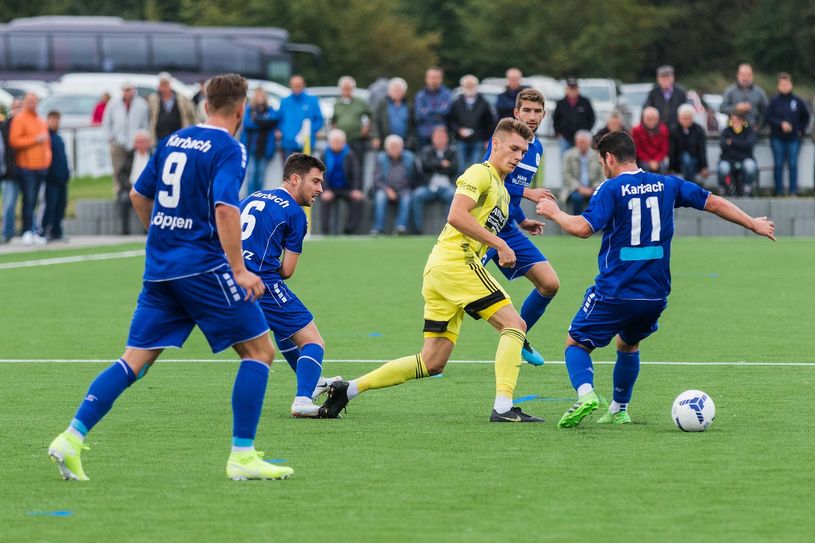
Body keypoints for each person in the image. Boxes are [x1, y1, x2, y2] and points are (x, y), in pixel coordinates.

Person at [47, 74, 293, 482]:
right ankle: (243, 457)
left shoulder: (172, 141)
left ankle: (70, 437)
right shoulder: (230, 147)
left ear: (204, 105)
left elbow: (138, 195)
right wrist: (239, 270)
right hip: (203, 269)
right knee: (260, 353)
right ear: (239, 109)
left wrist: (164, 239)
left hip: (160, 269)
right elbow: (225, 209)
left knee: (134, 361)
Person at [535, 130, 775, 428]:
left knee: (576, 343)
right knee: (628, 344)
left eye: (602, 160)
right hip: (654, 294)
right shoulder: (667, 184)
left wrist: (554, 212)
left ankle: (586, 395)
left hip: (616, 290)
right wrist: (753, 223)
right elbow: (713, 202)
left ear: (609, 158)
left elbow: (583, 228)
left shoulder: (610, 189)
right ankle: (620, 409)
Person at [320, 118, 545, 423]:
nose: (519, 156)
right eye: (514, 148)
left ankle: (347, 389)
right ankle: (504, 407)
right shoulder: (480, 173)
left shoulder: (502, 190)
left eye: (524, 151)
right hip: (457, 262)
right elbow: (456, 215)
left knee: (432, 362)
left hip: (441, 269)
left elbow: (485, 220)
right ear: (495, 144)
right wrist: (501, 245)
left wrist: (520, 226)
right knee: (515, 326)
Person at [240, 153, 341, 417]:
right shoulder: (295, 214)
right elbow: (287, 270)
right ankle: (302, 400)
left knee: (284, 330)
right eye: (315, 181)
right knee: (313, 341)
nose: (320, 189)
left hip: (231, 279)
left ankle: (313, 381)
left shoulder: (253, 196)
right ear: (295, 179)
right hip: (261, 282)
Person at [482, 89, 558, 366]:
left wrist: (521, 220)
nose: (532, 116)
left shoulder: (535, 148)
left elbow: (509, 195)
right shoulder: (504, 141)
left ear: (544, 115)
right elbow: (489, 179)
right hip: (483, 224)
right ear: (516, 113)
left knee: (549, 284)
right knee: (458, 290)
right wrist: (530, 194)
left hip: (507, 224)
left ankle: (518, 336)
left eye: (537, 111)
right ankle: (432, 352)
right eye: (526, 110)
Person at [103, 81, 149, 235]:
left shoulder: (141, 105)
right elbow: (107, 122)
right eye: (125, 90)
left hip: (134, 142)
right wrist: (111, 137)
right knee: (118, 170)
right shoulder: (113, 104)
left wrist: (141, 140)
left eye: (130, 90)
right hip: (118, 142)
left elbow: (145, 123)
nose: (128, 93)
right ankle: (120, 192)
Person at [9, 92, 51, 245]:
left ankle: (35, 230)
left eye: (35, 101)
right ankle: (26, 230)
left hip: (41, 166)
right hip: (27, 166)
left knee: (38, 201)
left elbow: (46, 143)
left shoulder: (40, 119)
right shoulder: (20, 119)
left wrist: (47, 159)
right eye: (30, 101)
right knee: (28, 200)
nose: (32, 104)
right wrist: (34, 140)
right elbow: (14, 141)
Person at [766, 72, 810, 196]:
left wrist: (800, 130)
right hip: (777, 138)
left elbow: (806, 117)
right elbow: (768, 117)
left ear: (791, 85)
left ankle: (793, 191)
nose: (785, 86)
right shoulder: (774, 102)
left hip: (794, 138)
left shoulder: (798, 101)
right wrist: (780, 124)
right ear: (778, 86)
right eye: (782, 84)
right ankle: (779, 191)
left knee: (792, 164)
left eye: (787, 84)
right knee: (778, 164)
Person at [413, 125, 458, 234]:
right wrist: (442, 164)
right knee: (417, 195)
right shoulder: (427, 151)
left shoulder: (452, 151)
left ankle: (448, 230)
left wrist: (436, 166)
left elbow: (454, 168)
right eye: (437, 137)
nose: (440, 139)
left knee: (453, 195)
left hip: (447, 186)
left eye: (442, 137)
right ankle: (417, 229)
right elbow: (425, 165)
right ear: (432, 138)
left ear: (447, 138)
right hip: (430, 186)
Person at [318, 128, 364, 235]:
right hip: (329, 188)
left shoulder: (350, 154)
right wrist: (325, 190)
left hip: (346, 188)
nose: (338, 144)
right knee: (325, 200)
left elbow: (356, 174)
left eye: (341, 142)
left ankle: (349, 230)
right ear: (329, 142)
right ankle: (325, 231)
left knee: (358, 200)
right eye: (335, 142)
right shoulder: (324, 155)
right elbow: (320, 175)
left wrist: (356, 190)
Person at [370, 134, 416, 236]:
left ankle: (400, 228)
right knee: (380, 197)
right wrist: (387, 190)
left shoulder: (410, 158)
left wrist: (407, 188)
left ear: (402, 147)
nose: (394, 149)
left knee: (407, 198)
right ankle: (378, 228)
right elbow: (376, 180)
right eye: (392, 147)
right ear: (386, 148)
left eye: (397, 146)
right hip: (385, 189)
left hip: (404, 189)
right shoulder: (380, 158)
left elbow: (414, 177)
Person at [448, 74, 495, 173]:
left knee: (475, 167)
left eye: (472, 85)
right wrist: (459, 130)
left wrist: (487, 139)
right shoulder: (456, 103)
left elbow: (489, 122)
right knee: (461, 167)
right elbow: (451, 121)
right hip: (461, 140)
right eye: (467, 86)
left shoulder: (484, 102)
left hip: (478, 139)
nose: (469, 88)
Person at [331, 76, 372, 176]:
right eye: (344, 88)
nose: (346, 91)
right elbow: (334, 121)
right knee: (343, 166)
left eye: (349, 88)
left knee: (358, 166)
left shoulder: (360, 102)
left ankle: (357, 190)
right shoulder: (337, 104)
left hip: (357, 139)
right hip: (342, 142)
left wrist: (366, 128)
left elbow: (371, 116)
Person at [241, 88, 278, 195]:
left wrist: (257, 120)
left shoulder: (270, 109)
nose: (260, 97)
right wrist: (264, 123)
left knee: (261, 175)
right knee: (251, 175)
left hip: (265, 148)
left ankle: (259, 197)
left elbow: (274, 119)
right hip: (252, 147)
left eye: (262, 95)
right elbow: (247, 123)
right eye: (258, 95)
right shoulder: (249, 109)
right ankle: (250, 198)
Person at [278, 75, 323, 159]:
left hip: (306, 143)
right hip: (288, 144)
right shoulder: (285, 101)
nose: (296, 87)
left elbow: (319, 119)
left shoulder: (312, 100)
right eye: (294, 85)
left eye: (299, 84)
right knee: (290, 171)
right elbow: (279, 120)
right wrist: (284, 132)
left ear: (304, 85)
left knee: (306, 171)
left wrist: (311, 130)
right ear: (290, 86)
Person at [42, 111, 70, 241]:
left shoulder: (58, 137)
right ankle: (45, 230)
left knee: (61, 205)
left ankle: (57, 231)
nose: (55, 122)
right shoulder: (46, 137)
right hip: (51, 179)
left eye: (57, 119)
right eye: (53, 119)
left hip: (62, 178)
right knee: (50, 205)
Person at [561, 130, 604, 214]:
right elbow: (566, 175)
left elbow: (603, 175)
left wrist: (593, 188)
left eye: (583, 142)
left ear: (589, 143)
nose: (580, 144)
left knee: (598, 198)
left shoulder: (597, 156)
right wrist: (579, 188)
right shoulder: (569, 155)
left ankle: (594, 223)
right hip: (574, 189)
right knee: (576, 198)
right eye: (578, 142)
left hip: (594, 188)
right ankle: (577, 222)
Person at [149, 73, 197, 144]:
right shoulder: (153, 100)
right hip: (160, 137)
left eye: (166, 84)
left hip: (179, 137)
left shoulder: (183, 99)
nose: (164, 86)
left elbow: (193, 116)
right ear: (159, 85)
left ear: (170, 84)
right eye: (162, 84)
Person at [718, 112, 758, 196]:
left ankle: (747, 188)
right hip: (728, 159)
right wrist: (741, 143)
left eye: (737, 120)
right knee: (723, 168)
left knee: (750, 166)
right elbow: (723, 146)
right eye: (733, 120)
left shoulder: (748, 131)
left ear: (743, 121)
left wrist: (732, 142)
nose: (735, 122)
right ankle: (722, 188)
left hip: (745, 159)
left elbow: (749, 145)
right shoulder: (726, 131)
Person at [553, 77, 595, 154]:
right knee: (566, 160)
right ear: (566, 89)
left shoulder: (585, 102)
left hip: (582, 139)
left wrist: (586, 131)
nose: (572, 91)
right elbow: (556, 119)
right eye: (570, 88)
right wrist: (558, 133)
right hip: (565, 138)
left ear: (578, 89)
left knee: (582, 161)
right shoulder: (560, 103)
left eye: (574, 88)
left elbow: (592, 118)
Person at [414, 66, 453, 149]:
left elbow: (446, 111)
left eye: (436, 78)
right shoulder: (420, 95)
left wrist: (427, 110)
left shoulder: (447, 94)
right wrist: (438, 111)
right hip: (424, 135)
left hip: (442, 135)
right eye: (431, 77)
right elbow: (419, 114)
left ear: (441, 79)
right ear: (426, 79)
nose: (433, 80)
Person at [720, 63, 769, 130]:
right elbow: (722, 109)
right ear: (738, 75)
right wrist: (736, 108)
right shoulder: (730, 91)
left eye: (748, 75)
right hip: (734, 132)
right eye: (743, 75)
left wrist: (759, 127)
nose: (745, 78)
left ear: (752, 76)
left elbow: (766, 113)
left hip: (754, 131)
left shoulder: (760, 92)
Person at [669, 104, 708, 185]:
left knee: (688, 159)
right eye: (683, 118)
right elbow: (672, 150)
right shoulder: (674, 130)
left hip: (695, 161)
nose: (686, 120)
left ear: (692, 118)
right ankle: (691, 185)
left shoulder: (699, 130)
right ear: (679, 118)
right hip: (678, 162)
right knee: (685, 158)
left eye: (688, 118)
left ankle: (687, 185)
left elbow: (702, 149)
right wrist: (671, 168)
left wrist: (704, 167)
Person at [371, 77, 413, 151]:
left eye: (399, 90)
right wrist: (376, 137)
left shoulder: (408, 105)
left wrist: (411, 139)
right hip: (385, 142)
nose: (397, 92)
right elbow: (375, 121)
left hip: (404, 142)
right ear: (389, 91)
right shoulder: (382, 104)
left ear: (404, 92)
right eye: (394, 90)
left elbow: (412, 123)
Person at [1, 99, 22, 243]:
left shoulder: (29, 124)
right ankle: (7, 233)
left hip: (29, 171)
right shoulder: (5, 126)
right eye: (15, 107)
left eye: (19, 107)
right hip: (10, 173)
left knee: (31, 204)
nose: (17, 110)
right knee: (9, 204)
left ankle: (30, 231)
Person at [632, 107, 669, 173]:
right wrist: (649, 161)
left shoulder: (663, 129)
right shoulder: (636, 130)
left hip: (658, 159)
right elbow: (637, 149)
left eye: (654, 119)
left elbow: (664, 149)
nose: (652, 121)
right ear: (643, 119)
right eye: (649, 119)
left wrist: (656, 160)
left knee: (664, 166)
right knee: (644, 167)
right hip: (643, 159)